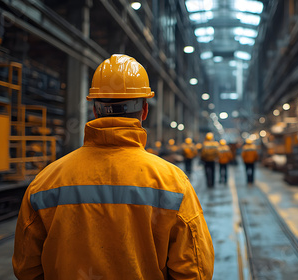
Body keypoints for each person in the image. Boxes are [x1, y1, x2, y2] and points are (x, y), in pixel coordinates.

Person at [12, 54, 214, 279]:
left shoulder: (45, 182)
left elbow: (26, 269)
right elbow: (195, 270)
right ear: (145, 111)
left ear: (95, 110)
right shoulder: (173, 183)